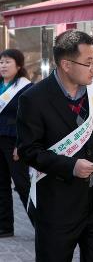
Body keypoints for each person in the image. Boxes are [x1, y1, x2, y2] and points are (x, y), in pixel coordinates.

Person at [16, 30, 93, 262]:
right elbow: (28, 150)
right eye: (88, 62)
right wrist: (70, 166)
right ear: (66, 64)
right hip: (57, 205)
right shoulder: (33, 99)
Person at [0, 48, 34, 237]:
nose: (3, 66)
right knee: (1, 185)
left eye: (7, 62)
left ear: (19, 65)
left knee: (22, 185)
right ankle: (5, 226)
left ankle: (41, 224)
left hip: (14, 142)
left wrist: (20, 145)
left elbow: (28, 120)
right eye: (1, 62)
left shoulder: (26, 88)